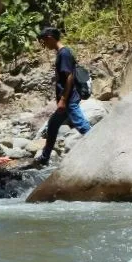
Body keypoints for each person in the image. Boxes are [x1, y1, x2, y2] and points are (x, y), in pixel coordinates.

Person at [35, 27, 91, 166]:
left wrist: (63, 100)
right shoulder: (63, 52)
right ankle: (45, 157)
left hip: (69, 99)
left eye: (44, 41)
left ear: (50, 38)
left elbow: (69, 77)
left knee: (82, 126)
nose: (44, 45)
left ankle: (102, 147)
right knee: (53, 124)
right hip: (67, 98)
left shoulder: (64, 53)